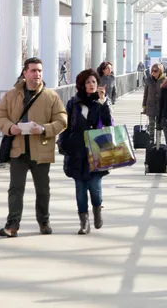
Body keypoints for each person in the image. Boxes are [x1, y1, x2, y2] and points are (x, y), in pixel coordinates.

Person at [0, 57, 68, 237]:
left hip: (41, 149)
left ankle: (44, 221)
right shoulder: (12, 95)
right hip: (18, 149)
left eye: (40, 71)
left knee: (43, 189)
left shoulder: (51, 96)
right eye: (34, 70)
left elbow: (62, 120)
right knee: (15, 188)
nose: (37, 74)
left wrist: (43, 129)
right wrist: (10, 127)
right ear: (25, 73)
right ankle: (12, 225)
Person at [58, 69, 113, 234]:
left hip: (97, 151)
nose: (91, 85)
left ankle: (97, 210)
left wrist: (103, 103)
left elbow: (108, 123)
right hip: (77, 151)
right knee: (80, 189)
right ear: (82, 85)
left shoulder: (102, 103)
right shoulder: (73, 103)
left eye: (94, 82)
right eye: (88, 82)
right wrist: (63, 143)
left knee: (95, 187)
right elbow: (66, 125)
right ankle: (84, 222)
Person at [142, 63, 166, 144]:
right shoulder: (148, 79)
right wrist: (144, 106)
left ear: (160, 71)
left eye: (155, 71)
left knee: (159, 126)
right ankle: (151, 141)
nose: (153, 72)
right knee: (151, 125)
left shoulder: (164, 80)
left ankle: (158, 142)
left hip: (160, 107)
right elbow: (145, 93)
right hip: (150, 106)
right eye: (152, 70)